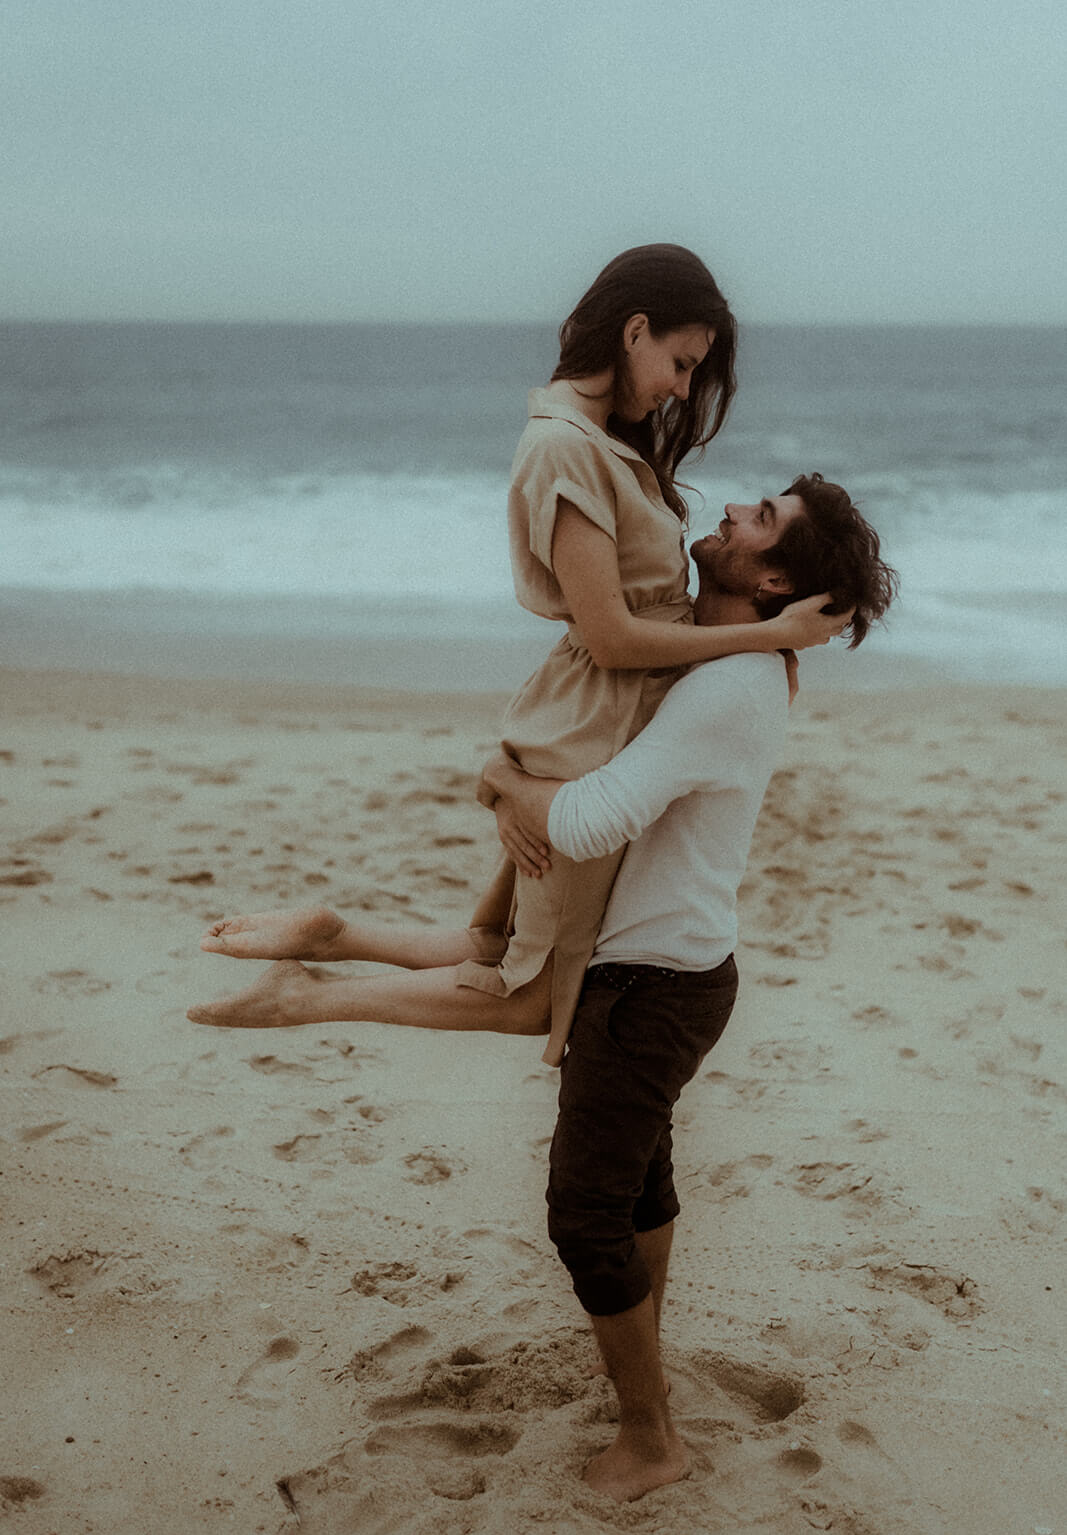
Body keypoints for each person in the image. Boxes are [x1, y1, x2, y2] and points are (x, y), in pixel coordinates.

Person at [187, 473, 896, 1505]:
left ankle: (650, 1437)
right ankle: (641, 1376)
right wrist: (513, 782)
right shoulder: (716, 660)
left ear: (774, 573)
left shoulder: (728, 685)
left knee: (583, 1215)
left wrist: (502, 781)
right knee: (637, 1183)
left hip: (648, 986)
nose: (736, 509)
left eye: (763, 517)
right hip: (657, 969)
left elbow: (584, 822)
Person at [186, 247, 844, 1052]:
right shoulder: (566, 447)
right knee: (529, 995)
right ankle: (302, 994)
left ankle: (331, 937)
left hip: (595, 724)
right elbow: (608, 635)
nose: (680, 387)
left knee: (500, 951)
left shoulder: (597, 438)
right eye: (679, 362)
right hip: (591, 733)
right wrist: (775, 634)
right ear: (635, 331)